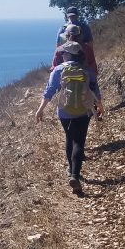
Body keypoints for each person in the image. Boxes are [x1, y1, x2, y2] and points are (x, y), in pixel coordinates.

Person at [35, 40, 103, 192]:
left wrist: (40, 110)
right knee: (79, 141)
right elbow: (95, 91)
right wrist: (100, 107)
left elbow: (49, 92)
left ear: (69, 55)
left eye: (64, 53)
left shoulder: (58, 70)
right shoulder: (87, 70)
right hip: (84, 110)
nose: (62, 55)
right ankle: (75, 175)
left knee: (69, 138)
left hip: (65, 111)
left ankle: (70, 169)